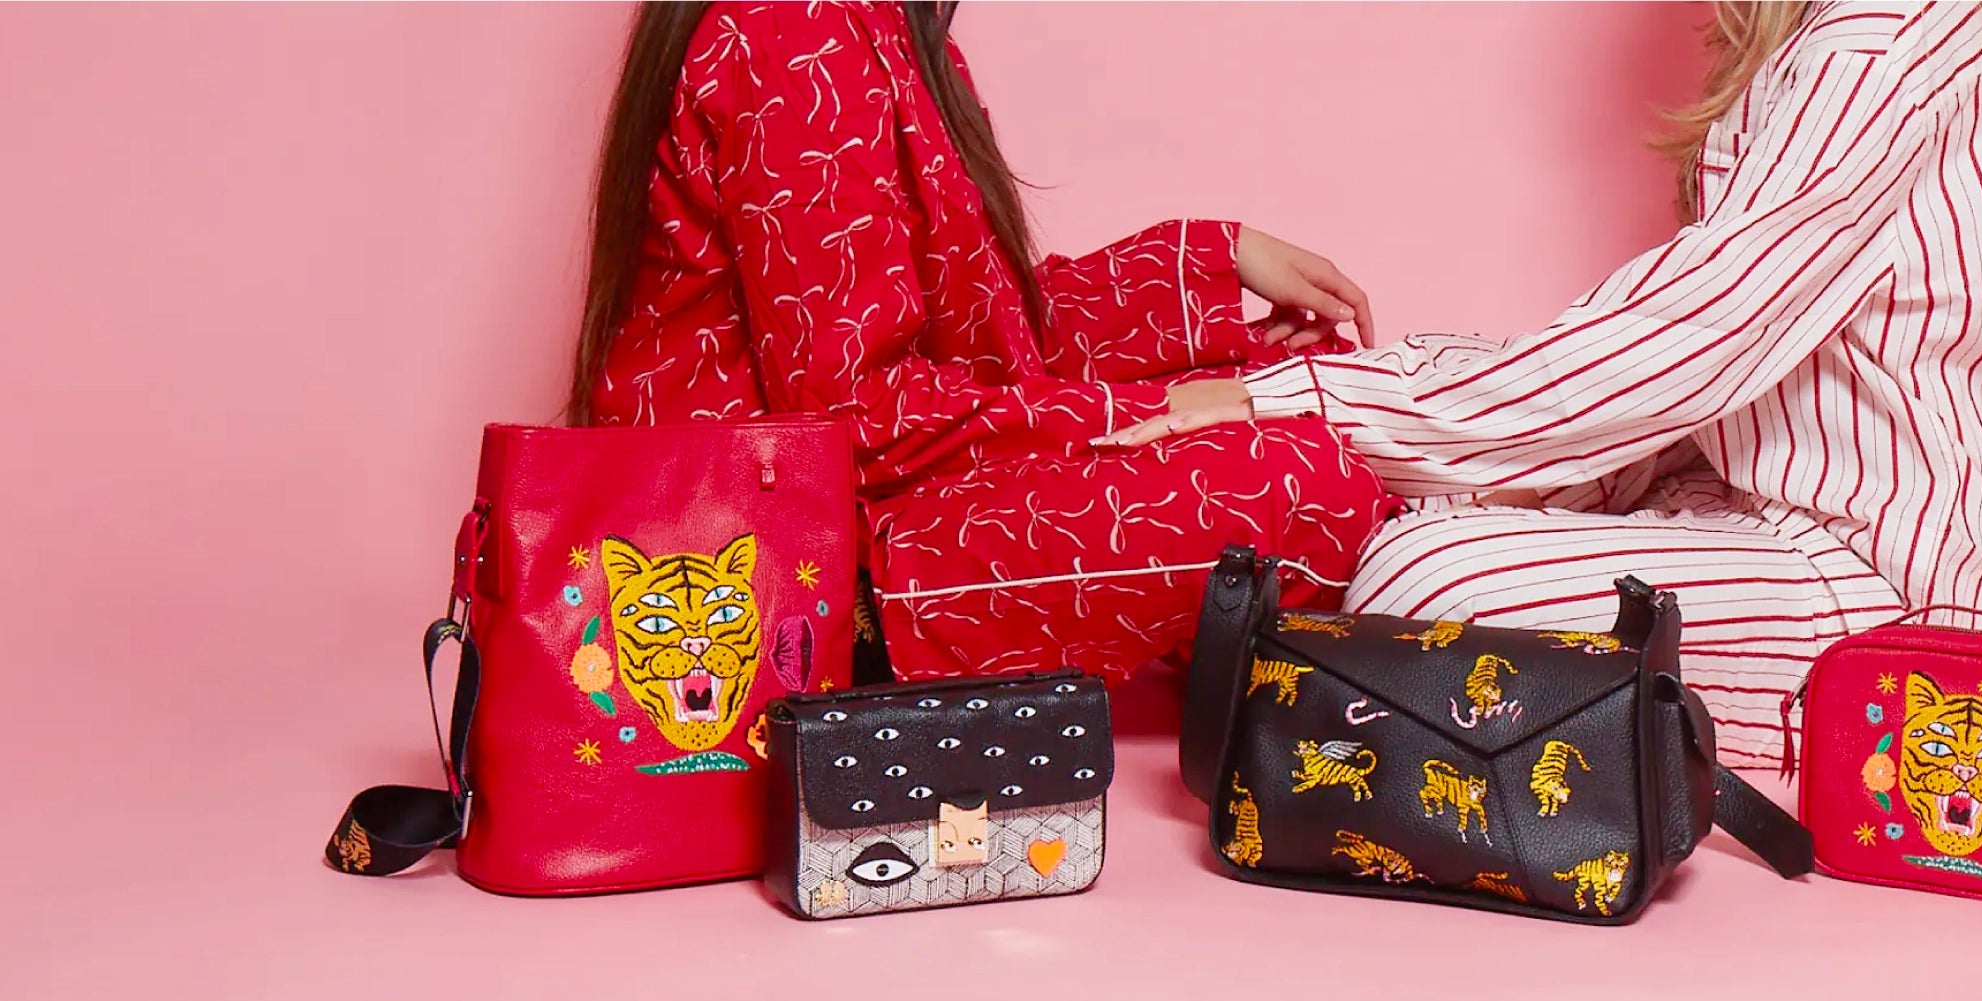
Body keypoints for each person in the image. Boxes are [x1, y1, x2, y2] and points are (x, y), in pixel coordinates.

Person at [1105, 1, 1982, 765]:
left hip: (1899, 582)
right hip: (1765, 506)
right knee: (1403, 519)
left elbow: (1681, 339)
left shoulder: (1879, 42)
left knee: (1426, 574)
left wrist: (1312, 398)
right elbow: (1688, 347)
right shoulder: (1831, 33)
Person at [570, 1, 1397, 683]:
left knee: (1306, 380)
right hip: (793, 570)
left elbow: (984, 341)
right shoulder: (793, 32)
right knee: (1301, 475)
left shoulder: (888, 29)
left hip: (877, 502)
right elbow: (853, 418)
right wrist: (1171, 409)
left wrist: (1211, 258)